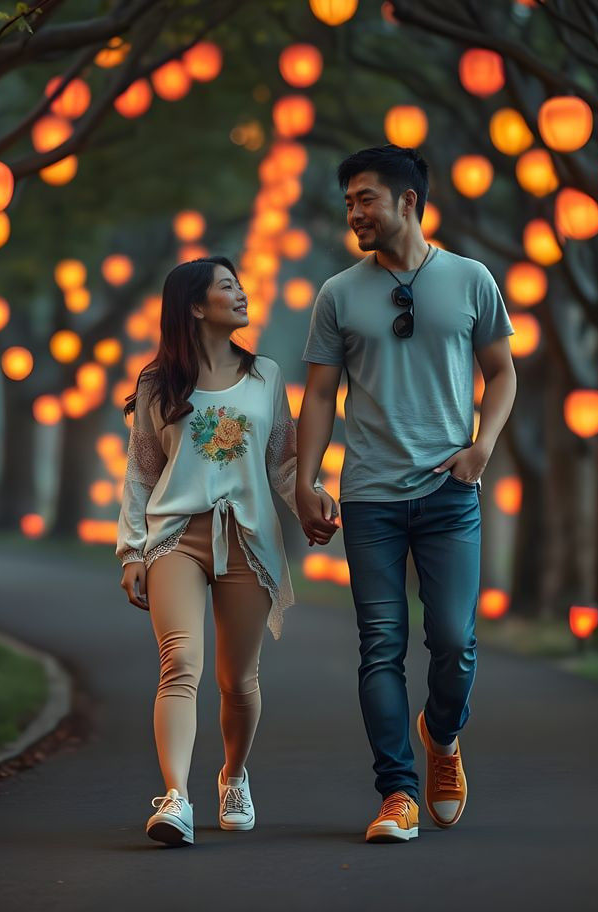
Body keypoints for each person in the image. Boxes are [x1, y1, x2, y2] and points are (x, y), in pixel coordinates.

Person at [296, 145, 517, 843]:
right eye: (349, 203)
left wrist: (482, 447)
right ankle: (397, 793)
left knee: (454, 641)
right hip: (370, 500)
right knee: (380, 644)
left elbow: (502, 373)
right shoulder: (338, 293)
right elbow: (321, 394)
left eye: (366, 199)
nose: (355, 213)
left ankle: (443, 737)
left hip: (451, 493)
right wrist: (307, 480)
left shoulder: (472, 280)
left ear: (408, 201)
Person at [117, 256, 338, 847]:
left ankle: (233, 777)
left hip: (248, 537)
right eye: (228, 287)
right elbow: (141, 474)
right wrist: (132, 550)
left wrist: (312, 501)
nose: (242, 295)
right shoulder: (156, 384)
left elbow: (284, 462)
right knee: (179, 664)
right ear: (195, 306)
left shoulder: (266, 375)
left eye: (240, 286)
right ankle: (175, 797)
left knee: (238, 680)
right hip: (175, 539)